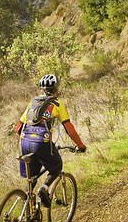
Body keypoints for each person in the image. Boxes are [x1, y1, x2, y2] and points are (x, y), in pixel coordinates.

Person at [14, 74, 86, 207]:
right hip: (42, 143)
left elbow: (18, 129)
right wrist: (80, 146)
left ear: (42, 89)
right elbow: (70, 130)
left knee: (32, 178)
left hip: (24, 142)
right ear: (56, 90)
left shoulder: (32, 103)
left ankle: (25, 214)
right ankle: (45, 188)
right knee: (56, 166)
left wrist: (30, 139)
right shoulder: (57, 105)